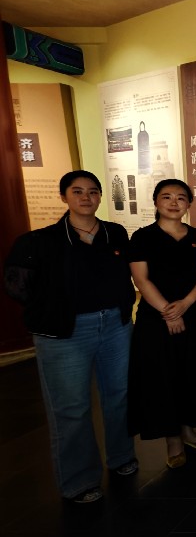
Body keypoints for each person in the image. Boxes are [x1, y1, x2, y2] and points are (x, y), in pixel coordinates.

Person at [4, 171, 137, 503]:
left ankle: (121, 456)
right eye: (77, 191)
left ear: (101, 196)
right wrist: (53, 309)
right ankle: (79, 480)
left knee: (119, 395)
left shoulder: (115, 233)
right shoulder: (38, 241)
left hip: (115, 325)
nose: (86, 197)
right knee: (71, 406)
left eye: (92, 191)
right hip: (65, 332)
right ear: (63, 196)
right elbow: (17, 286)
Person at [127, 179, 196, 468]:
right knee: (162, 376)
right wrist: (169, 312)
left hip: (192, 313)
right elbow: (141, 279)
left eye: (181, 197)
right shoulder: (143, 237)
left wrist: (186, 304)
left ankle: (189, 431)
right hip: (155, 318)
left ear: (189, 203)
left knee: (191, 372)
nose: (174, 202)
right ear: (156, 202)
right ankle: (173, 441)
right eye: (166, 197)